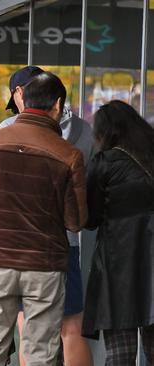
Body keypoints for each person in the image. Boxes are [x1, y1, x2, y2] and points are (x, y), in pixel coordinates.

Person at [0, 72, 87, 365]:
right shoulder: (69, 155)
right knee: (41, 352)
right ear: (57, 105)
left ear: (22, 100)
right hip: (45, 264)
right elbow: (75, 220)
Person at [0, 66, 94, 366]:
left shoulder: (8, 128)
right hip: (67, 241)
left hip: (20, 244)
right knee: (71, 327)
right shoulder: (83, 131)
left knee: (28, 325)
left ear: (19, 93)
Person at [82, 100, 154, 364]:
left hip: (117, 265)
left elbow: (89, 218)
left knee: (121, 351)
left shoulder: (105, 162)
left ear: (106, 132)